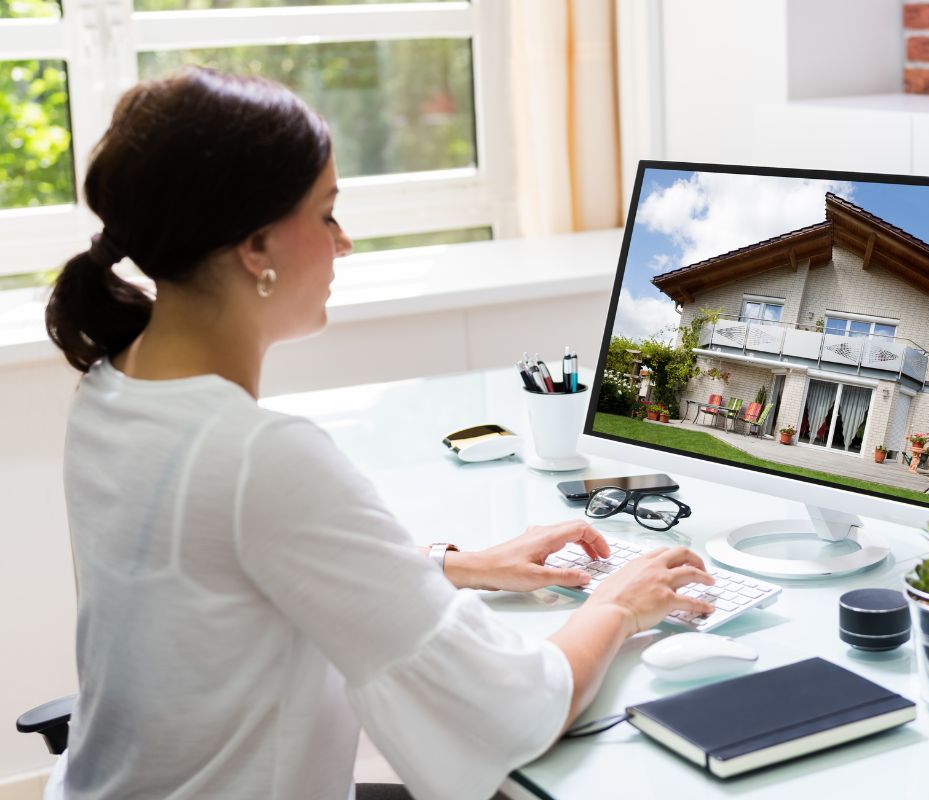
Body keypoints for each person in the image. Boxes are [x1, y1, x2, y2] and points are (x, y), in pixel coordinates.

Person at [42, 67, 715, 800]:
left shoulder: (110, 389)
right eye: (327, 214)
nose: (345, 243)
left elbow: (226, 585)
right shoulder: (256, 458)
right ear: (257, 247)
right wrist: (618, 602)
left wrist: (452, 564)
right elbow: (510, 708)